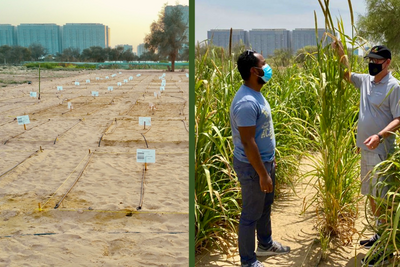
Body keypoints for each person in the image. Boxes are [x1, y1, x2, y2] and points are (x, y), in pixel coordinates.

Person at [333, 43, 400, 265]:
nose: (372, 64)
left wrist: (379, 136)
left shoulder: (394, 86)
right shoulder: (365, 81)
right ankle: (381, 235)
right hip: (366, 150)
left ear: (387, 63)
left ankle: (386, 249)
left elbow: (399, 118)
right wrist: (341, 54)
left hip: (381, 151)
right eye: (370, 61)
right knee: (372, 195)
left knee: (383, 199)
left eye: (376, 61)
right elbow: (346, 74)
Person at [230, 50, 290, 267]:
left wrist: (270, 161)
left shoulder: (256, 93)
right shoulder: (246, 102)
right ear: (254, 71)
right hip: (252, 167)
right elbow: (247, 142)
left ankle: (265, 244)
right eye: (264, 64)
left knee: (265, 206)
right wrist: (262, 174)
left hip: (264, 162)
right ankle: (248, 261)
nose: (268, 67)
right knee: (250, 214)